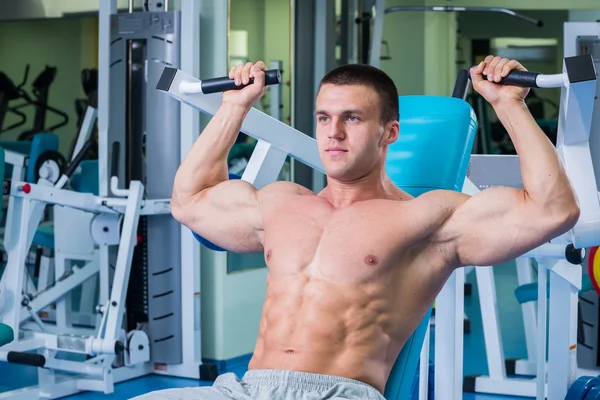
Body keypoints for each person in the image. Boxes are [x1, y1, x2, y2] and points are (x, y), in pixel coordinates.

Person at [135, 56, 580, 400]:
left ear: (390, 133)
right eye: (324, 117)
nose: (333, 133)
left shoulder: (426, 219)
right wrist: (233, 108)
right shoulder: (281, 203)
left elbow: (552, 210)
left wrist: (508, 104)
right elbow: (189, 200)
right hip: (246, 388)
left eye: (352, 118)